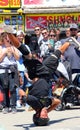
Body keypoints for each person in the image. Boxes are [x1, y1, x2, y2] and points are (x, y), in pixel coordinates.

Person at [3, 24, 80, 125]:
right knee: (57, 53)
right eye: (47, 116)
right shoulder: (46, 103)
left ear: (37, 114)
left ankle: (9, 33)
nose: (45, 114)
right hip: (47, 73)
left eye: (43, 115)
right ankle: (69, 41)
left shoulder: (35, 104)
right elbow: (57, 102)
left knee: (27, 54)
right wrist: (47, 109)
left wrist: (20, 87)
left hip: (36, 72)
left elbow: (23, 94)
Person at [0, 32, 20, 114]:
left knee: (13, 88)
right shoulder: (1, 47)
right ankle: (6, 106)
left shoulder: (14, 47)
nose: (8, 39)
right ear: (3, 39)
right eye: (6, 38)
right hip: (3, 70)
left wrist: (13, 51)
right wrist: (4, 53)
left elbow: (18, 58)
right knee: (4, 88)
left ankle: (13, 106)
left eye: (9, 38)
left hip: (12, 69)